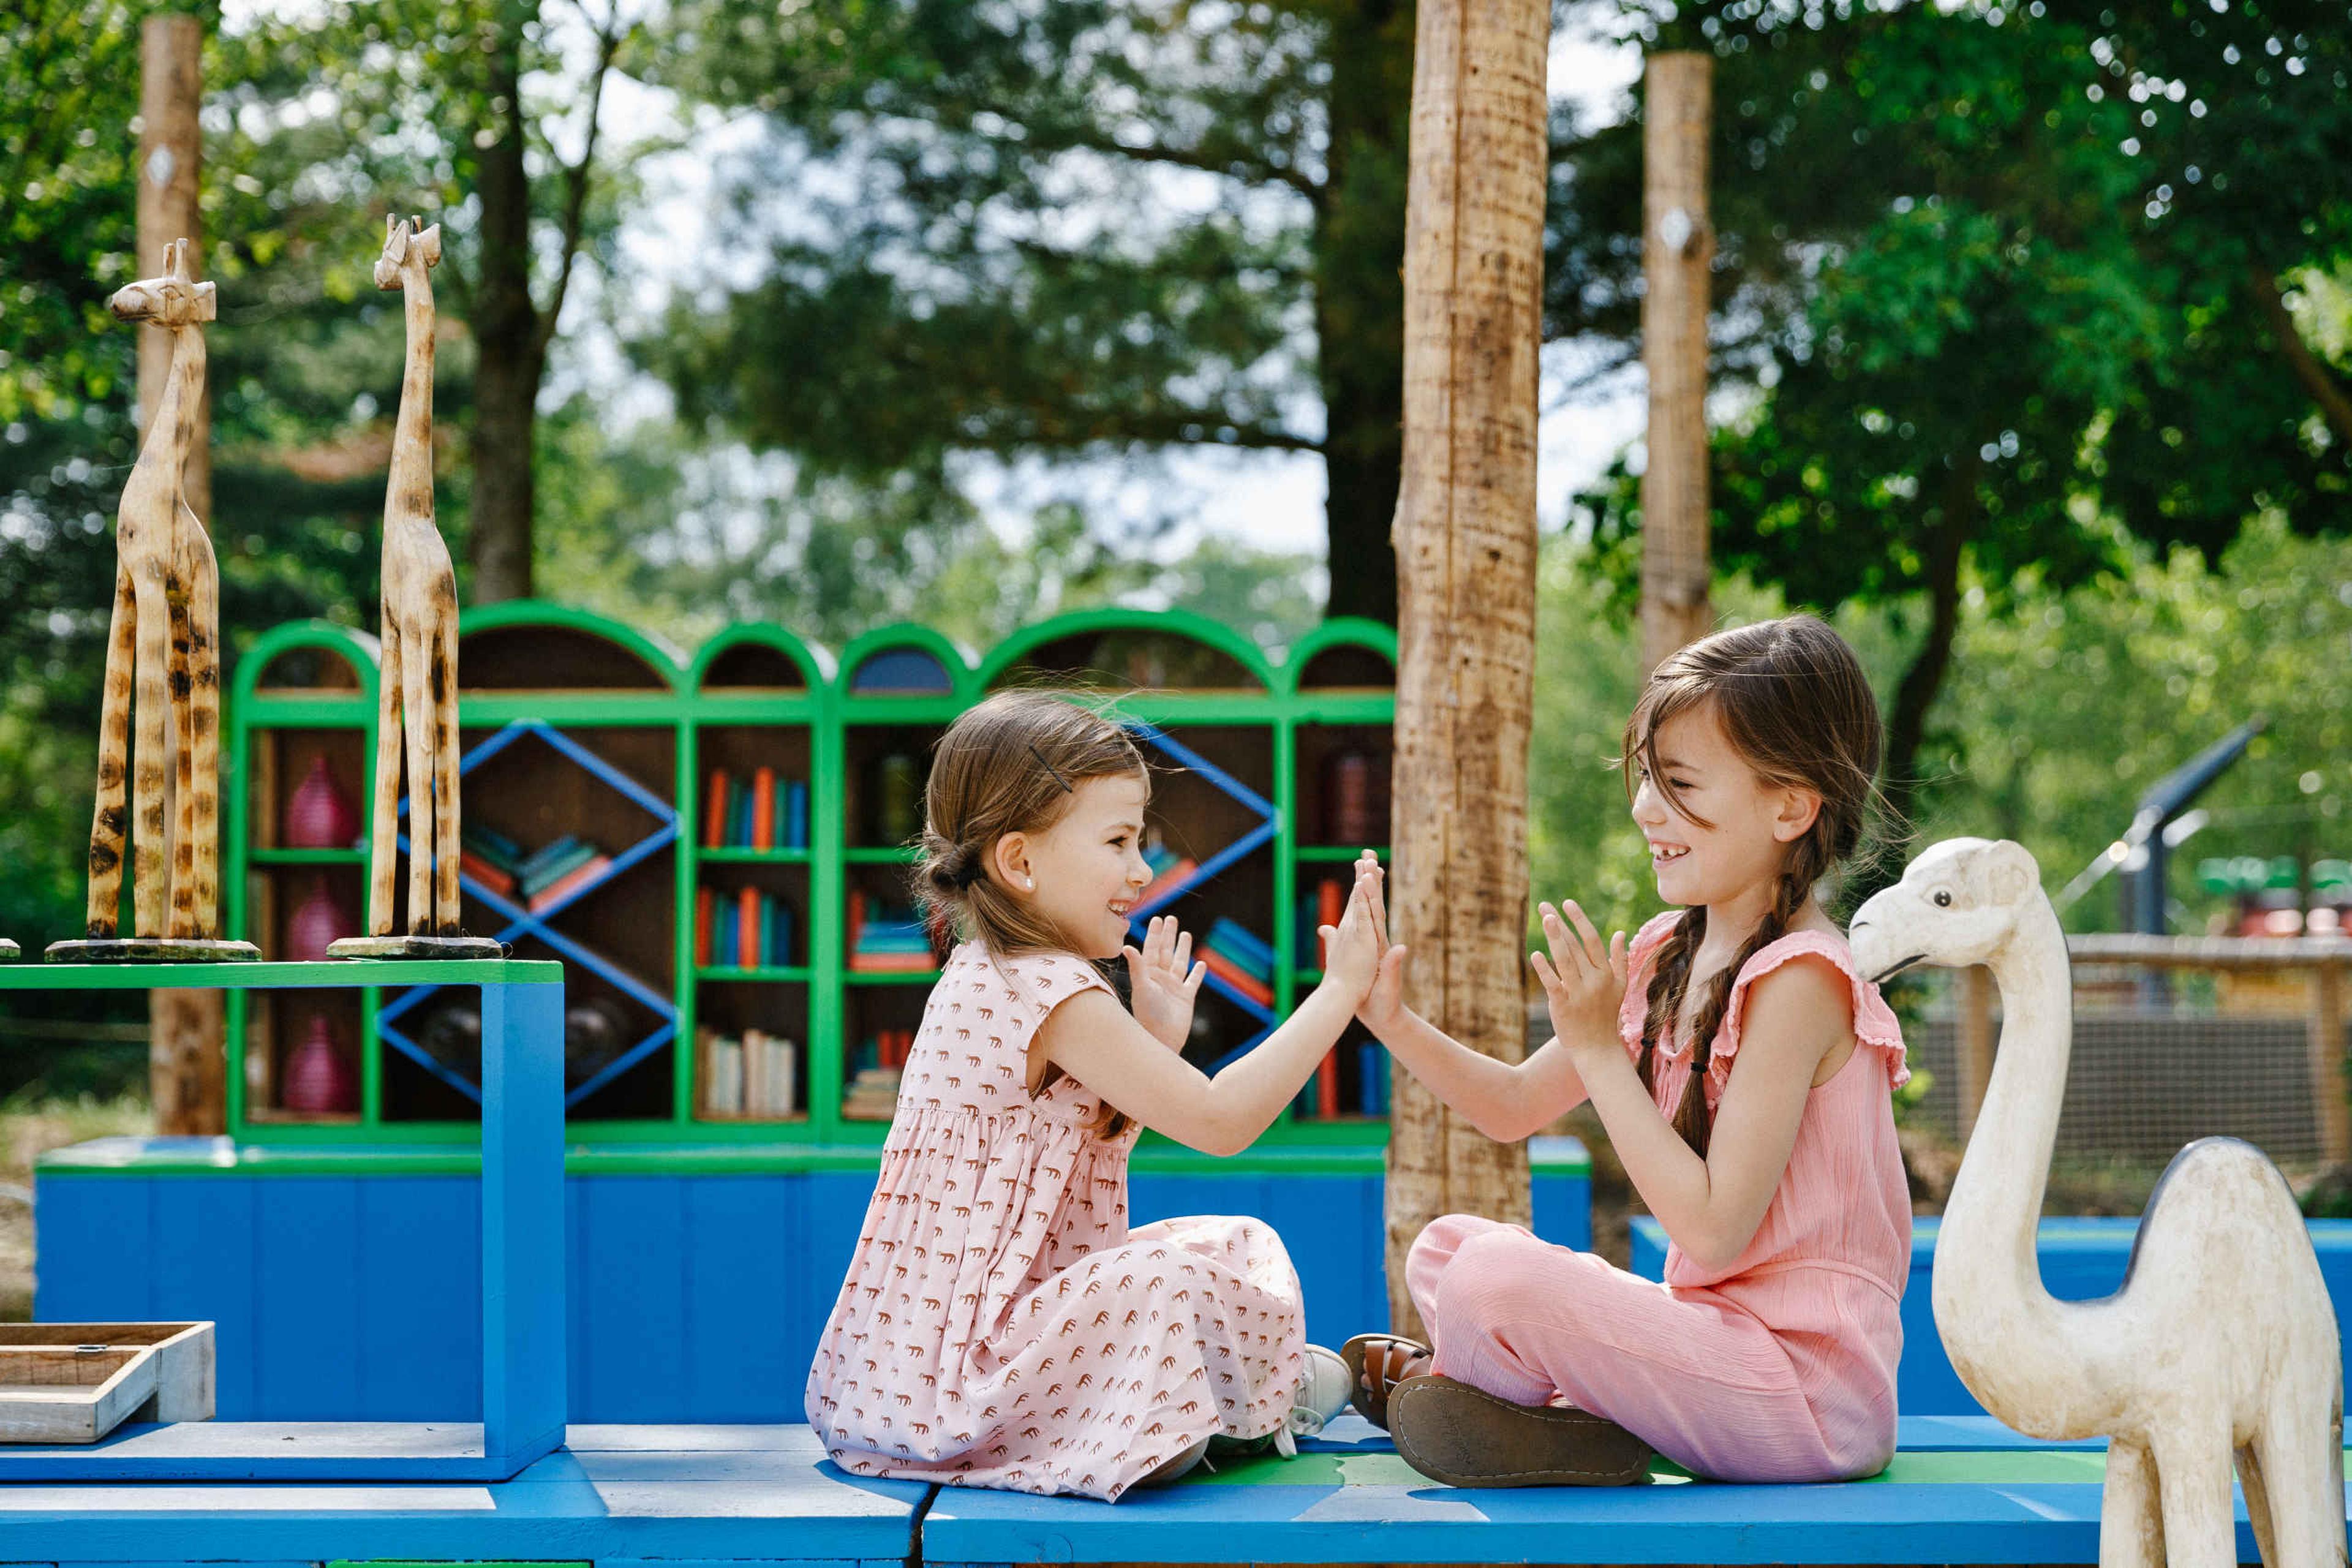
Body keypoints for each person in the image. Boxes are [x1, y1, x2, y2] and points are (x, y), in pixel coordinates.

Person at [1346, 615, 1910, 1488]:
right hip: (1715, 1354)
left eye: (1680, 783)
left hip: (1804, 1400)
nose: (1646, 808)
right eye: (1646, 777)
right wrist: (1389, 1019)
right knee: (1450, 1249)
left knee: (1494, 1280)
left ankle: (1501, 1403)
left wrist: (1602, 1058)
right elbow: (1512, 1108)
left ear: (1791, 805)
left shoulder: (1804, 980)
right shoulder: (1667, 953)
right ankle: (1569, 1429)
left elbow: (1715, 1234)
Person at [807, 690, 1379, 1500]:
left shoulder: (984, 973)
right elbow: (1220, 1122)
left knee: (1212, 1250)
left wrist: (1154, 1046)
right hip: (977, 1377)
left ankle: (1188, 1418)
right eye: (1117, 841)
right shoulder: (1052, 987)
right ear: (1020, 862)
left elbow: (1061, 1158)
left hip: (914, 1370)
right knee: (1181, 1274)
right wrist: (1339, 993)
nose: (1142, 869)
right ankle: (1243, 1408)